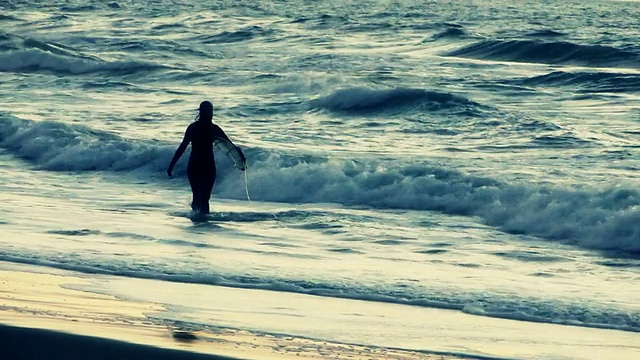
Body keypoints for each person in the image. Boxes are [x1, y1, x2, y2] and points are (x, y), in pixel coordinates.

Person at [167, 101, 245, 214]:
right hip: (201, 166)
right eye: (208, 112)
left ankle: (198, 221)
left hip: (200, 166)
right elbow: (182, 147)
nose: (209, 114)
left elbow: (229, 146)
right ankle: (200, 223)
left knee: (203, 198)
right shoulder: (209, 128)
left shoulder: (202, 128)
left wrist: (240, 157)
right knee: (200, 197)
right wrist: (171, 165)